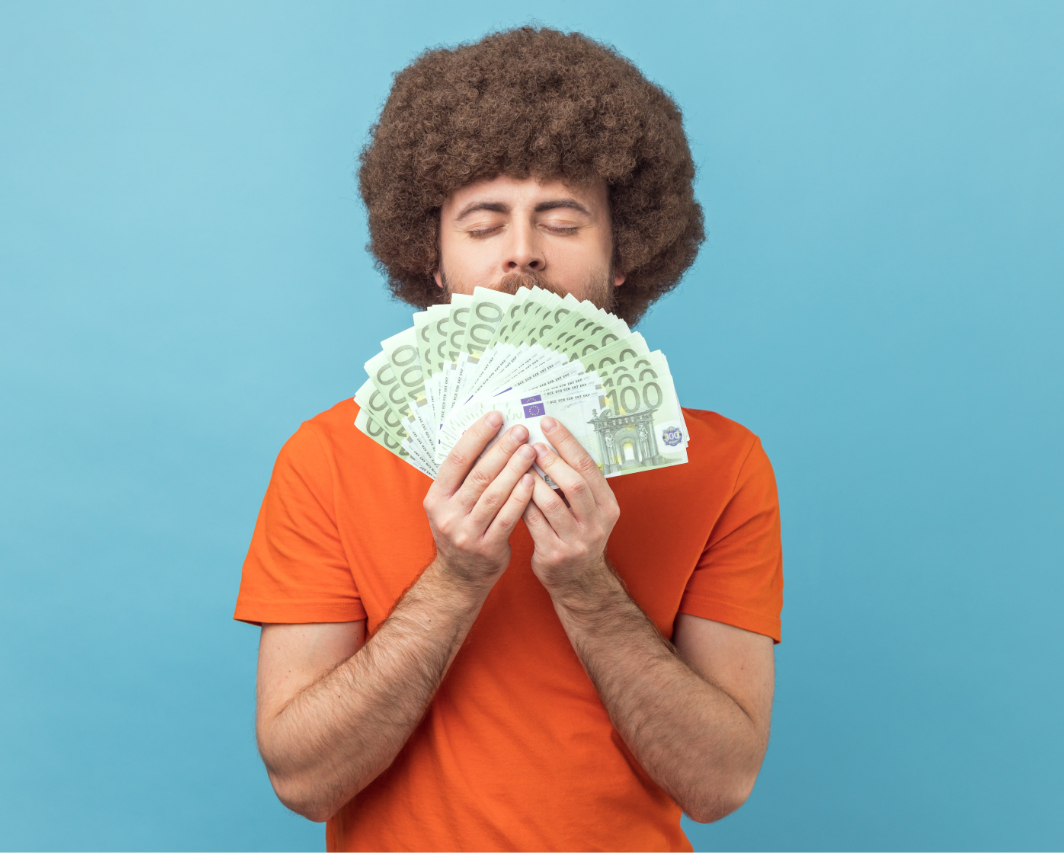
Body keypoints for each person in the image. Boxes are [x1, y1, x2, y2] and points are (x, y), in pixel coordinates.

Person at [234, 27, 782, 852]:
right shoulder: (325, 458)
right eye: (484, 223)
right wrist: (457, 579)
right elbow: (303, 780)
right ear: (435, 258)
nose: (522, 252)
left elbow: (721, 782)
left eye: (561, 221)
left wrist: (587, 588)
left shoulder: (724, 465)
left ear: (624, 251)